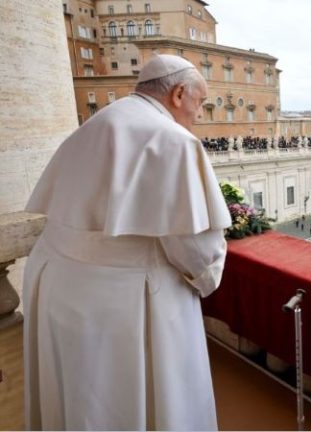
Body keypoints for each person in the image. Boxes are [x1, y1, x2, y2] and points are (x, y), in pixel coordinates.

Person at [22, 55, 230, 431]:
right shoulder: (173, 140)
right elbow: (195, 249)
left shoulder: (94, 124)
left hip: (61, 289)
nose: (200, 114)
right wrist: (209, 275)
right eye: (200, 103)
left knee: (79, 399)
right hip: (124, 306)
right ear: (179, 94)